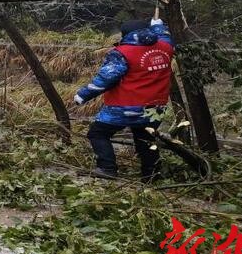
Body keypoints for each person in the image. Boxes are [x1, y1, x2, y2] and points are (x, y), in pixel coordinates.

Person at [73, 18, 175, 181]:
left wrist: (83, 95)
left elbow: (106, 78)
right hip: (155, 106)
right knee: (145, 138)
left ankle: (107, 168)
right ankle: (152, 175)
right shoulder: (166, 47)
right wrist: (159, 26)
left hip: (125, 106)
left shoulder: (122, 53)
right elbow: (165, 36)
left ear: (125, 34)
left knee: (97, 133)